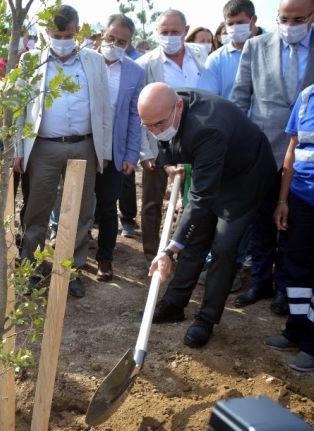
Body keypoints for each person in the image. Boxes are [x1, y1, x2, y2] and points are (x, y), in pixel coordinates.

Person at [143, 83, 276, 348]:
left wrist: (170, 250)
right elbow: (166, 140)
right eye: (149, 127)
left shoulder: (207, 127)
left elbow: (201, 199)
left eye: (159, 124)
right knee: (195, 239)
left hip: (244, 178)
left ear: (177, 107)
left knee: (224, 248)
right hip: (213, 166)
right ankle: (174, 304)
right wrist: (169, 161)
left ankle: (206, 319)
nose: (156, 131)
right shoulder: (167, 106)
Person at [14, 5, 112, 298]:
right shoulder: (30, 61)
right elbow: (20, 108)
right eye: (56, 34)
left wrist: (103, 148)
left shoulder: (95, 62)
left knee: (81, 211)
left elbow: (105, 107)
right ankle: (30, 269)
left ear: (77, 31)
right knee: (37, 210)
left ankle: (72, 270)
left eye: (67, 34)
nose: (61, 40)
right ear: (46, 33)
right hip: (44, 147)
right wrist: (19, 148)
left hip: (84, 144)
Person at [231, 0, 314, 315]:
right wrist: (239, 143)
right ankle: (260, 281)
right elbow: (241, 96)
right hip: (263, 150)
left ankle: (286, 288)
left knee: (296, 227)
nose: (290, 25)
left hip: (306, 158)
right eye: (283, 19)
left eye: (298, 19)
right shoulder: (255, 46)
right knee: (262, 220)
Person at [136, 9, 208, 268]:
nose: (169, 37)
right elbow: (140, 111)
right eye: (164, 32)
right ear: (157, 33)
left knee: (194, 198)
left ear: (185, 30)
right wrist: (146, 152)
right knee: (153, 199)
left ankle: (184, 250)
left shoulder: (201, 56)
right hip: (158, 140)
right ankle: (150, 252)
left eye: (175, 32)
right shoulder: (146, 64)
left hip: (194, 139)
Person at [197, 0, 259, 292]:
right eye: (230, 23)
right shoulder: (217, 60)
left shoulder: (265, 53)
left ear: (254, 20)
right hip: (225, 143)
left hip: (259, 143)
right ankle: (221, 262)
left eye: (241, 21)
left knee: (252, 207)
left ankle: (248, 265)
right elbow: (209, 103)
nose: (236, 28)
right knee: (223, 206)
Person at [265, 83, 314, 372]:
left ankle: (312, 344)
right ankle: (295, 331)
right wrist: (283, 199)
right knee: (296, 265)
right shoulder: (307, 96)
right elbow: (293, 149)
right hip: (301, 198)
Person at [94, 14, 145, 281]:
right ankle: (74, 258)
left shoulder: (135, 72)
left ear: (129, 44)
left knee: (107, 206)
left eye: (122, 41)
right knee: (77, 206)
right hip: (84, 146)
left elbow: (135, 116)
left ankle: (105, 258)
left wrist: (131, 154)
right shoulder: (85, 61)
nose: (114, 44)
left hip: (114, 150)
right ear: (102, 34)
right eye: (110, 38)